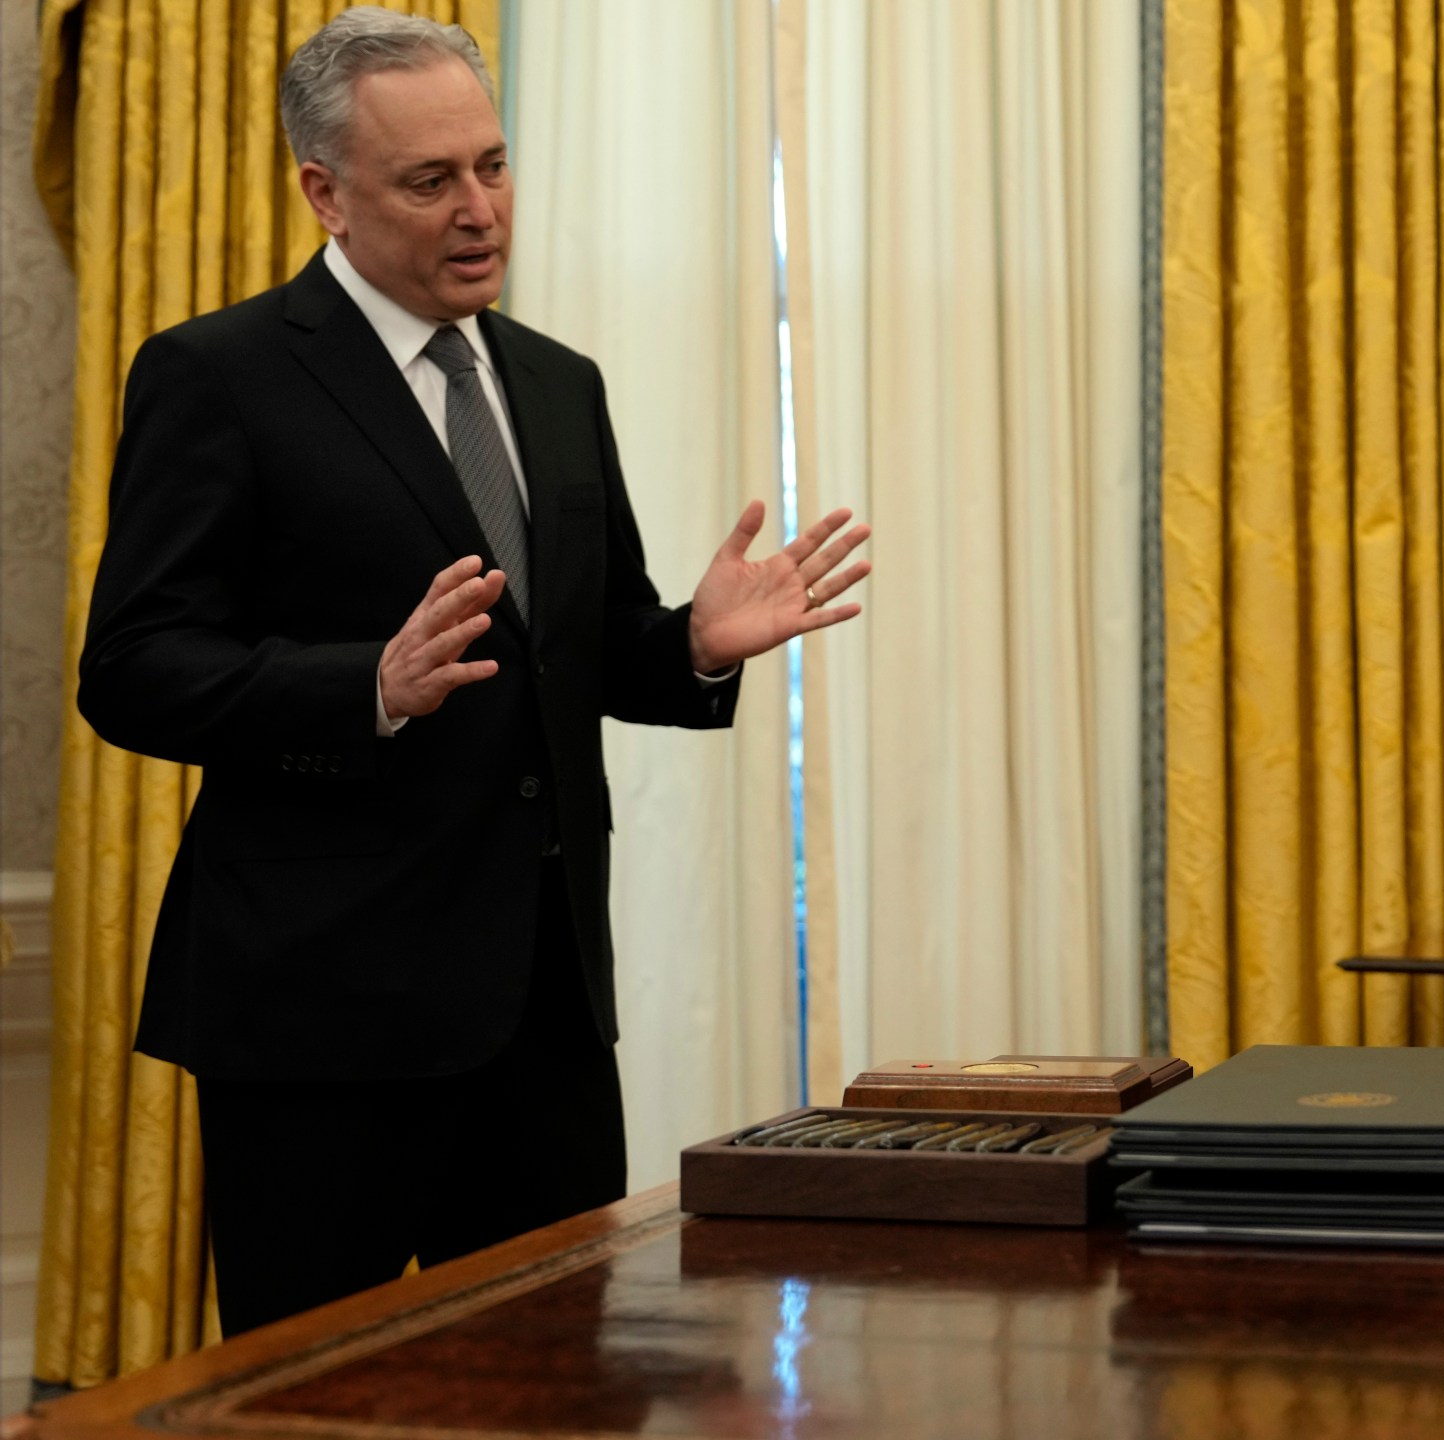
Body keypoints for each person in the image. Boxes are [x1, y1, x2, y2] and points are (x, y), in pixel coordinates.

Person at [76, 8, 869, 1334]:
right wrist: (366, 689)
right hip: (322, 1016)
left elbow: (587, 648)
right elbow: (133, 668)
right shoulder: (218, 376)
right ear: (325, 192)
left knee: (558, 1384)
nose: (479, 209)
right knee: (317, 1397)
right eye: (429, 180)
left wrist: (688, 644)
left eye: (492, 166)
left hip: (545, 1015)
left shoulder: (557, 383)